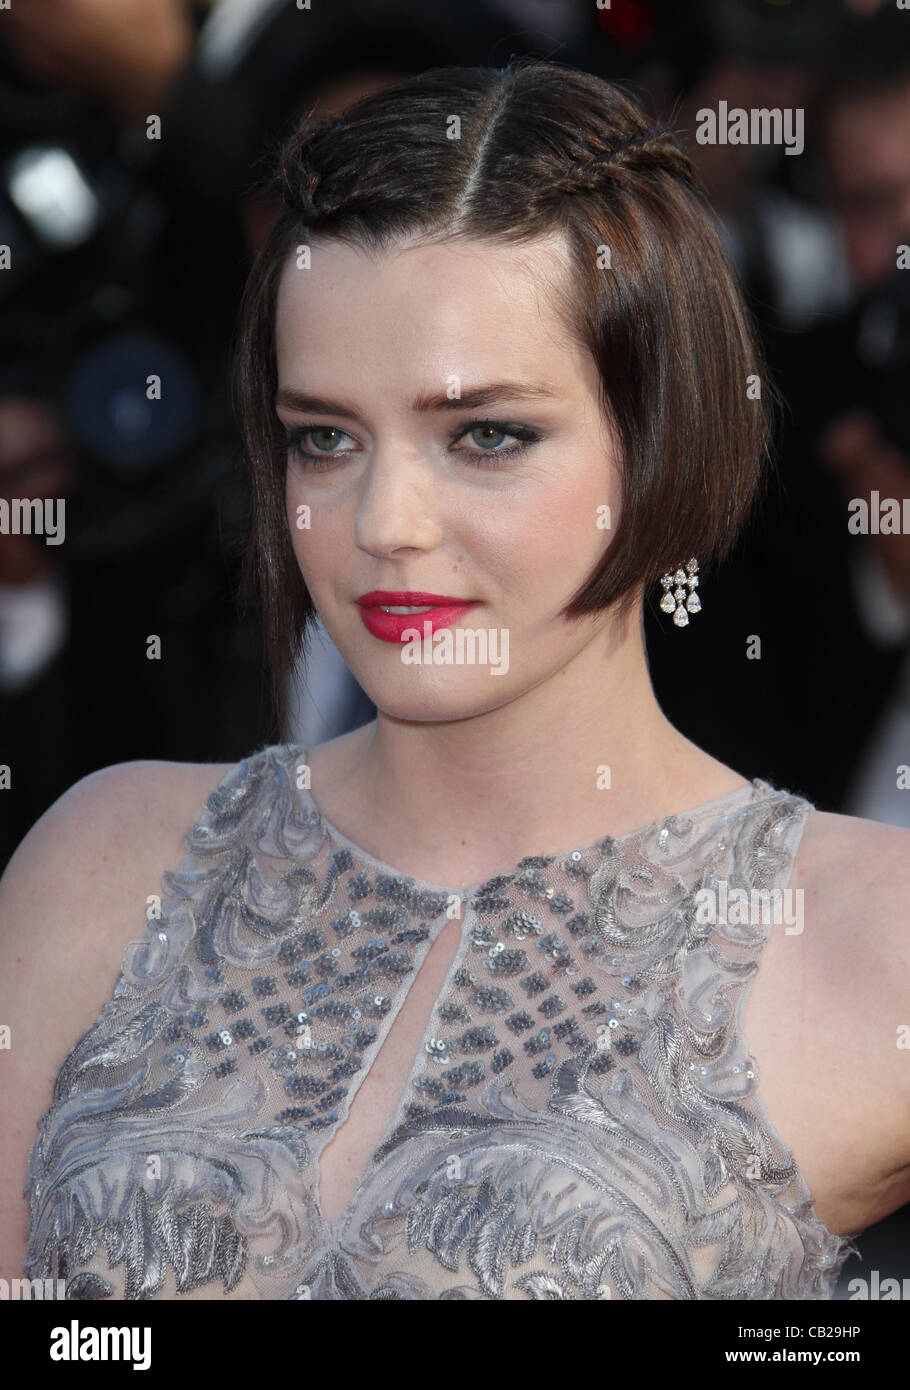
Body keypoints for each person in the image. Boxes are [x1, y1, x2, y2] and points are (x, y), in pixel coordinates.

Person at [1, 57, 908, 1301]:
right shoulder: (99, 861)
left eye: (485, 434)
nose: (385, 520)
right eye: (325, 437)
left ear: (662, 439)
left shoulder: (871, 939)